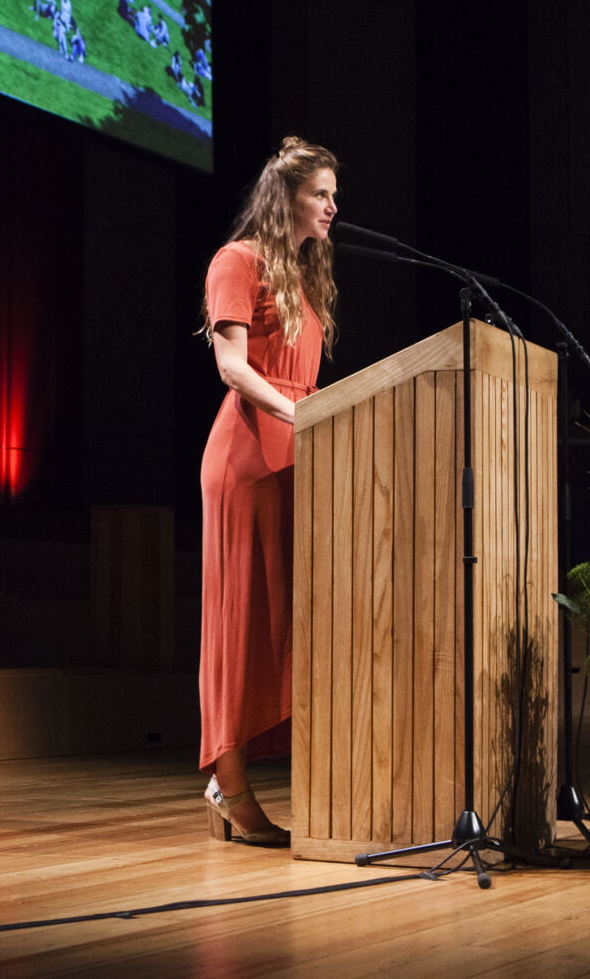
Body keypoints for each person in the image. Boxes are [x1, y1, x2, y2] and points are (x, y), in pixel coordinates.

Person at [197, 137, 340, 848]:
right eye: (322, 193)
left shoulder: (307, 280)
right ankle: (228, 782)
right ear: (287, 197)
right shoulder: (237, 261)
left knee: (285, 622)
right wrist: (300, 413)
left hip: (299, 458)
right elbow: (232, 367)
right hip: (247, 456)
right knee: (240, 619)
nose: (333, 207)